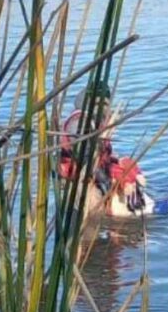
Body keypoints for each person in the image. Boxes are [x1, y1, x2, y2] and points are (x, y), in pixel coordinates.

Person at [58, 81, 153, 219]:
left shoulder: (95, 120)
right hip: (80, 181)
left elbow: (102, 154)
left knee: (126, 167)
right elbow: (86, 159)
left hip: (92, 174)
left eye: (105, 103)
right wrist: (106, 180)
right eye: (98, 103)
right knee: (94, 216)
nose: (102, 107)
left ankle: (132, 204)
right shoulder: (79, 123)